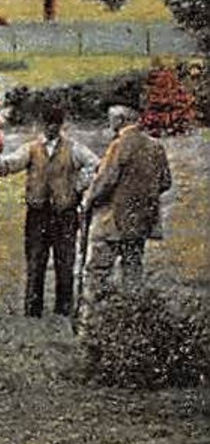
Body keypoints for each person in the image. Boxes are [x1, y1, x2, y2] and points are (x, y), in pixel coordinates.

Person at [0, 105, 99, 318]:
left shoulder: (74, 148)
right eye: (47, 124)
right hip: (37, 214)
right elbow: (10, 165)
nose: (51, 128)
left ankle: (64, 309)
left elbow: (95, 166)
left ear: (61, 126)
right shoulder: (30, 148)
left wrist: (78, 186)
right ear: (41, 125)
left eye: (55, 124)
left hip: (64, 214)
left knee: (65, 262)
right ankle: (32, 311)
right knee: (35, 262)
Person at [79, 105, 172, 310]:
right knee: (132, 268)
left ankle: (94, 315)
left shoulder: (119, 144)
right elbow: (165, 182)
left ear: (121, 120)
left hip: (114, 220)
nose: (110, 124)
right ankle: (133, 315)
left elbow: (106, 181)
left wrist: (88, 200)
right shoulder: (156, 146)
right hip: (142, 221)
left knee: (98, 270)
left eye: (111, 119)